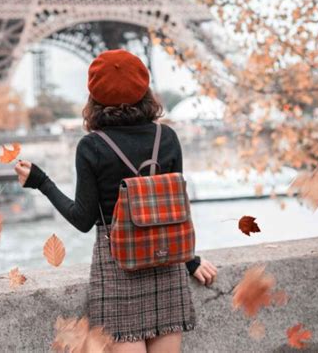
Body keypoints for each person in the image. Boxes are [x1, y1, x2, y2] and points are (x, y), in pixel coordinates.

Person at [15, 48, 217, 352]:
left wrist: (41, 182)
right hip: (167, 264)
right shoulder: (168, 138)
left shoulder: (92, 147)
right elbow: (175, 211)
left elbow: (82, 220)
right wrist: (190, 261)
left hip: (119, 267)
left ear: (94, 96)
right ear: (144, 89)